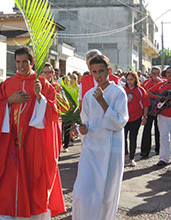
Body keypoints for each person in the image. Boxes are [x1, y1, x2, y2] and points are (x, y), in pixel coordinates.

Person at [0, 46, 65, 218]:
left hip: (34, 142)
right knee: (8, 177)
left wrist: (39, 97)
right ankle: (10, 211)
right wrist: (9, 101)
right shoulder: (7, 84)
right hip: (10, 141)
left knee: (34, 177)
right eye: (18, 62)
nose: (21, 66)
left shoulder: (43, 85)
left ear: (32, 62)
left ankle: (34, 214)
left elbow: (54, 112)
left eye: (25, 62)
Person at [72, 55, 128, 220]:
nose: (98, 76)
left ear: (109, 71)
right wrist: (81, 128)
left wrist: (103, 101)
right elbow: (85, 121)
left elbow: (120, 122)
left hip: (111, 149)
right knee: (82, 189)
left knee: (106, 193)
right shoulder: (89, 95)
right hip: (91, 148)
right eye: (94, 72)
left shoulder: (119, 93)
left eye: (101, 71)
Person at [123, 72, 150, 167]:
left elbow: (145, 104)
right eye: (128, 79)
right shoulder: (122, 90)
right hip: (124, 118)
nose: (129, 82)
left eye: (131, 79)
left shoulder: (140, 90)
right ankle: (125, 153)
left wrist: (145, 117)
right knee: (123, 137)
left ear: (136, 80)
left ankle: (131, 158)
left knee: (133, 138)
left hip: (136, 117)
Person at [147, 66, 171, 166]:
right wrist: (157, 97)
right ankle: (164, 158)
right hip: (163, 115)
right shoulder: (161, 85)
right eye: (168, 72)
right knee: (163, 136)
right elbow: (148, 92)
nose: (169, 74)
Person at [140, 66, 163, 158]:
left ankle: (159, 149)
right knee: (147, 130)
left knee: (159, 130)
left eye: (157, 73)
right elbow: (144, 95)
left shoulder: (162, 83)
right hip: (149, 109)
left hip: (160, 110)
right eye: (154, 73)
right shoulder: (146, 82)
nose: (155, 75)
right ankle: (145, 151)